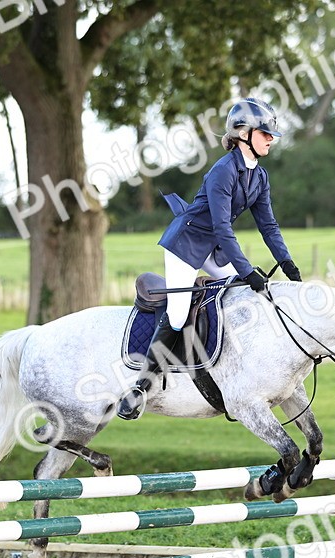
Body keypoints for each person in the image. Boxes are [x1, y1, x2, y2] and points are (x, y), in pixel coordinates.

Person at [116, 97, 303, 421]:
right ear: (242, 133)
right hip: (186, 245)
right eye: (265, 132)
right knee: (176, 314)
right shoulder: (223, 171)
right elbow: (221, 225)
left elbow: (268, 225)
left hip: (214, 248)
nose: (271, 138)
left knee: (241, 298)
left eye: (272, 134)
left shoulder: (259, 177)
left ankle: (231, 374)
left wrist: (286, 262)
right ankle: (141, 387)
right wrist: (247, 270)